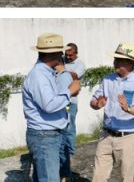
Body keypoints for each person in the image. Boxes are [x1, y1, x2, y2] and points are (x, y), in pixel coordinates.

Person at [90, 43, 134, 182]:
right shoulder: (108, 79)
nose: (115, 62)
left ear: (131, 62)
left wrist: (129, 109)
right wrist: (97, 104)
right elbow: (93, 102)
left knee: (125, 178)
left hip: (128, 139)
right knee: (98, 177)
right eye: (115, 58)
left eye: (120, 59)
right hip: (106, 136)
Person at [22, 33, 81, 182]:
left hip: (47, 135)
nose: (63, 55)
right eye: (60, 52)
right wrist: (70, 91)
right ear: (54, 54)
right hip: (44, 136)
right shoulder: (39, 75)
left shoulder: (46, 73)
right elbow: (49, 105)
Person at [58, 43, 85, 182]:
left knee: (69, 127)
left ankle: (70, 151)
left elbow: (75, 75)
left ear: (76, 53)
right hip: (59, 101)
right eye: (66, 54)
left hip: (71, 102)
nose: (68, 57)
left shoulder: (79, 64)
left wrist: (61, 71)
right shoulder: (62, 60)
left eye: (71, 54)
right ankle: (63, 152)